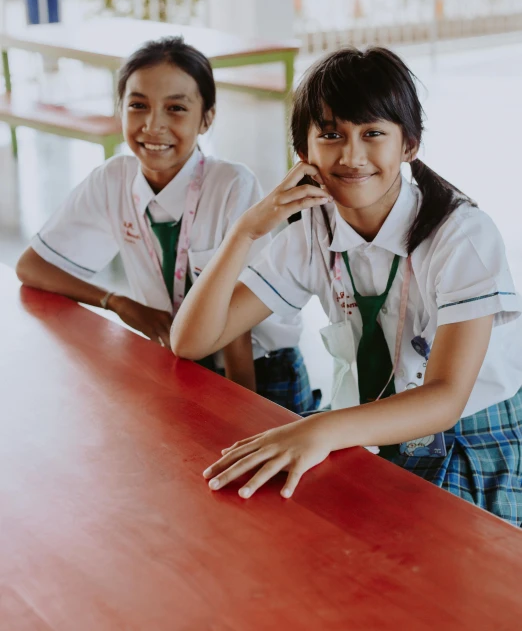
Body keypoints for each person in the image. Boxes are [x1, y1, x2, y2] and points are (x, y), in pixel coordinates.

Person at [171, 46, 522, 526]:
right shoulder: (311, 231)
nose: (352, 155)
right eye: (331, 134)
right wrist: (245, 231)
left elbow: (446, 398)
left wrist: (317, 429)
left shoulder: (462, 234)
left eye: (373, 133)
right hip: (377, 426)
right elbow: (192, 340)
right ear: (304, 152)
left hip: (473, 432)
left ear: (409, 146)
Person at [16, 36, 318, 414]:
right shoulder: (113, 180)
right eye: (138, 106)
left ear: (206, 118)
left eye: (176, 108)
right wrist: (119, 304)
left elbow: (238, 327)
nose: (153, 125)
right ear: (120, 110)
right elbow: (32, 267)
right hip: (178, 361)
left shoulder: (231, 185)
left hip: (258, 371)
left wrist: (244, 413)